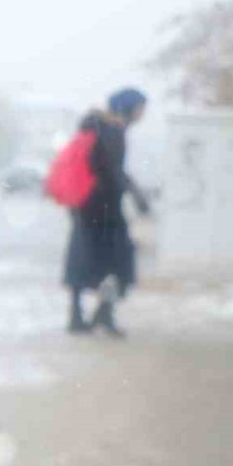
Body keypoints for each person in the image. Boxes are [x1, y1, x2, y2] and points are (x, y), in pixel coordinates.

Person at [65, 88, 151, 338]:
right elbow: (112, 170)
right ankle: (104, 313)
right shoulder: (113, 130)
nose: (143, 113)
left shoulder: (93, 126)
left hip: (83, 205)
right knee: (119, 263)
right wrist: (135, 193)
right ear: (128, 107)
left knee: (83, 258)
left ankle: (77, 316)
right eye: (141, 107)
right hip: (105, 208)